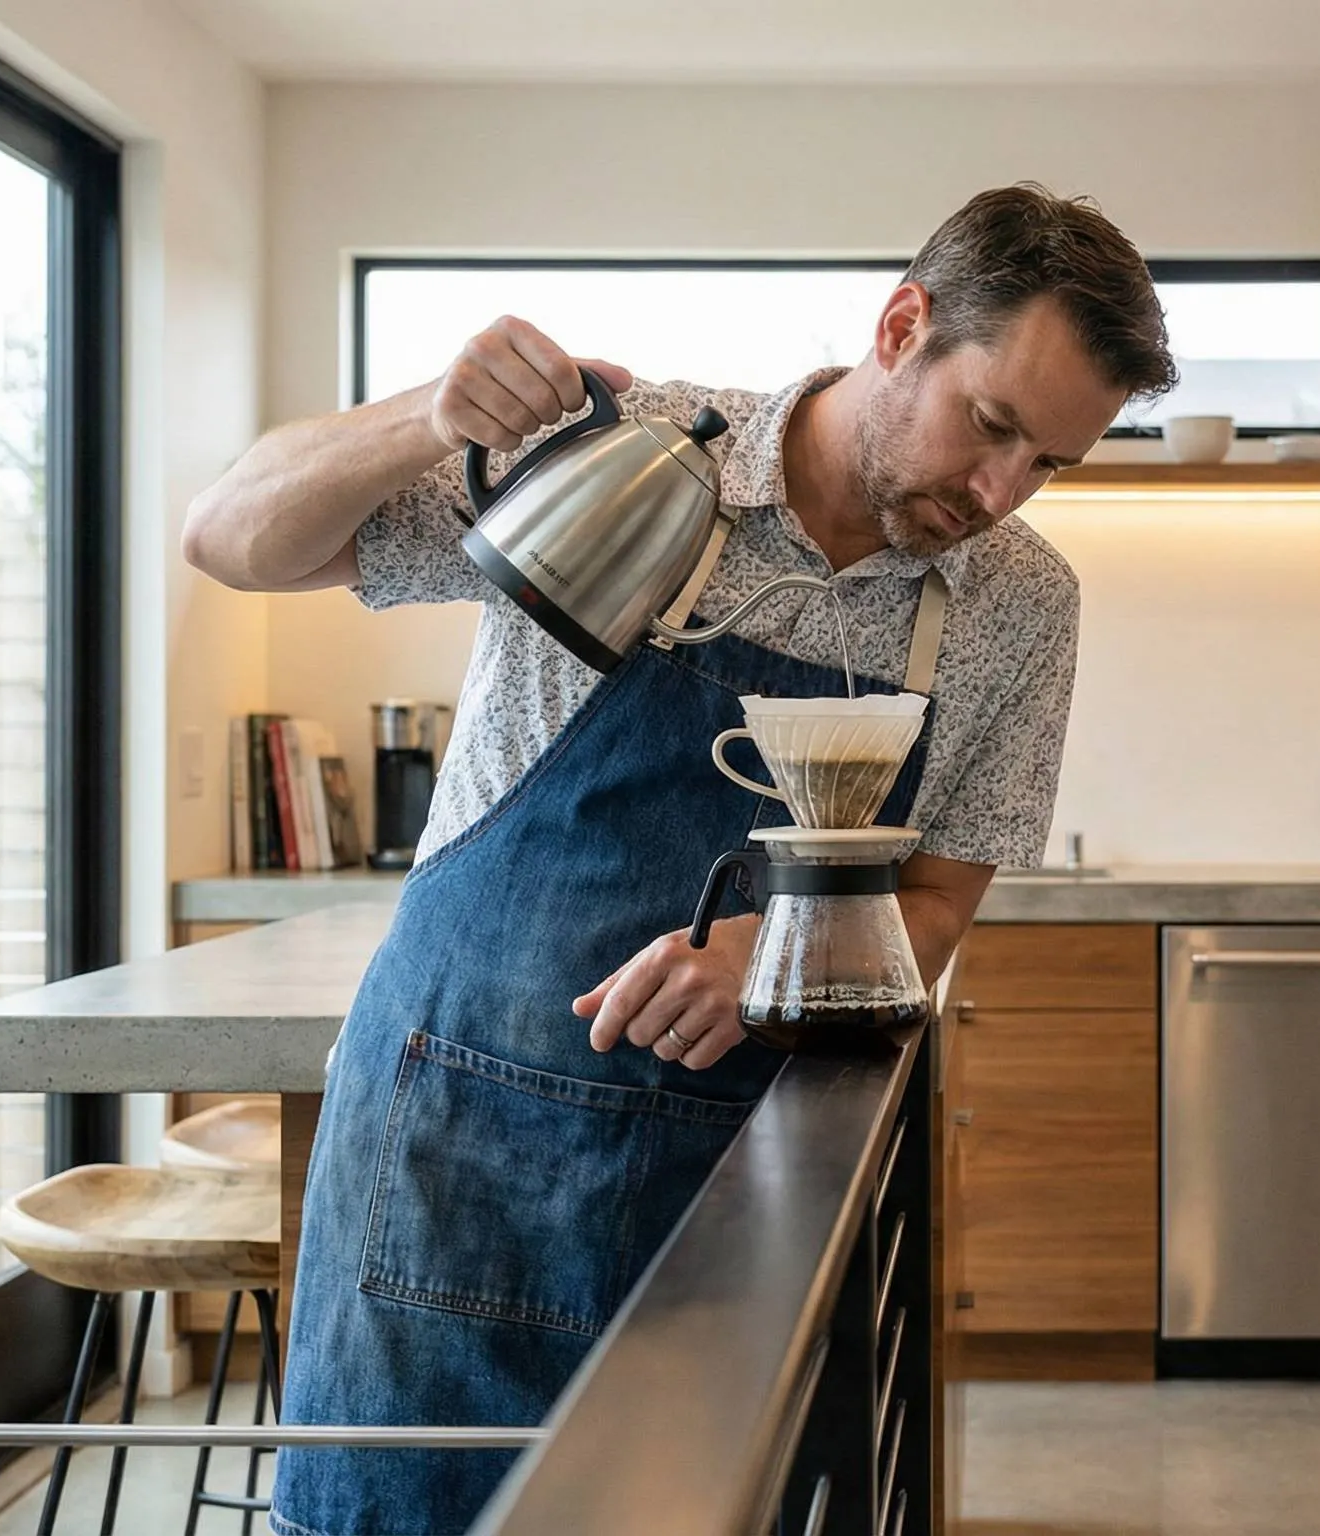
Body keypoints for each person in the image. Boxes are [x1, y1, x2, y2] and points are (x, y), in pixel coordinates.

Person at [179, 183, 1177, 1536]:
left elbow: (940, 903)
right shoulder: (634, 456)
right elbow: (229, 537)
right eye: (993, 426)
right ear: (902, 326)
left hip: (752, 1196)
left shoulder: (1017, 607)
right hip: (462, 1159)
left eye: (1050, 464)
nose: (1002, 493)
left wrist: (778, 950)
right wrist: (430, 410)